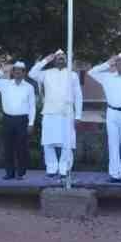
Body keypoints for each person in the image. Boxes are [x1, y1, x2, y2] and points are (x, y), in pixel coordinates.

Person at [87, 53, 121, 183]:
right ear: (115, 63)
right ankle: (114, 174)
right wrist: (107, 63)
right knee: (113, 143)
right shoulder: (107, 77)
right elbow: (91, 72)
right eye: (119, 61)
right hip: (112, 113)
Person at [29, 49, 83, 178]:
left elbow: (78, 96)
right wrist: (45, 60)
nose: (60, 58)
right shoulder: (46, 73)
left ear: (66, 59)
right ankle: (51, 168)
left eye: (63, 56)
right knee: (48, 142)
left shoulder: (73, 75)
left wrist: (78, 115)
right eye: (58, 57)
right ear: (54, 60)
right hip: (50, 112)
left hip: (67, 113)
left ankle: (64, 168)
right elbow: (32, 73)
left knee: (67, 142)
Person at [0, 62, 36, 180]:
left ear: (24, 73)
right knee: (8, 147)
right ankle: (9, 173)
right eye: (16, 70)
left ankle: (21, 173)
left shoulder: (29, 87)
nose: (18, 73)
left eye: (20, 71)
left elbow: (32, 106)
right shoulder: (5, 84)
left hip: (22, 120)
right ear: (13, 72)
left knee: (21, 147)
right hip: (8, 119)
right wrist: (2, 70)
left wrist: (31, 123)